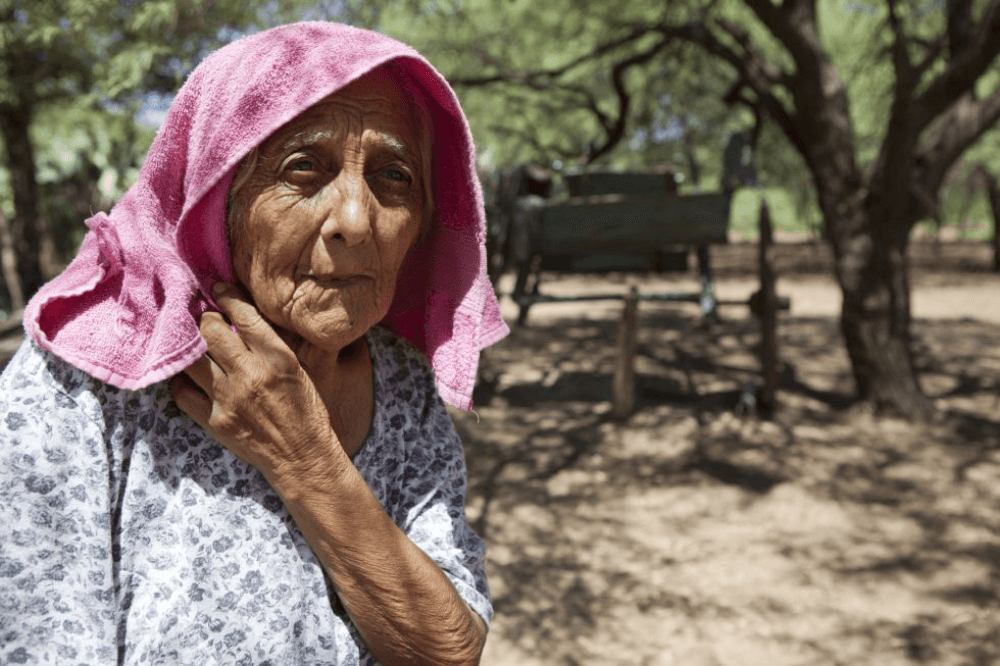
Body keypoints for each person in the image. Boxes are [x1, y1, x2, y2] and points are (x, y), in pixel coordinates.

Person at [0, 22, 508, 666]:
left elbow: (447, 651)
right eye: (303, 167)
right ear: (217, 199)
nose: (357, 220)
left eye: (393, 175)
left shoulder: (402, 385)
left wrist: (306, 460)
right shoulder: (81, 390)